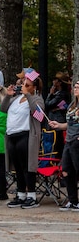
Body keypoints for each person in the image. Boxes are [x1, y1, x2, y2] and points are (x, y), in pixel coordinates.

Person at [2, 71, 45, 209]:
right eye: (22, 84)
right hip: (12, 135)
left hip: (26, 135)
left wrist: (28, 95)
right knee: (18, 168)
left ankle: (31, 195)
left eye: (27, 84)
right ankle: (21, 194)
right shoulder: (15, 99)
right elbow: (3, 109)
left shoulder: (37, 98)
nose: (23, 86)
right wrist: (8, 97)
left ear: (34, 87)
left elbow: (39, 116)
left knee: (28, 167)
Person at [51, 79, 79, 210]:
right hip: (69, 141)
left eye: (78, 87)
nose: (75, 89)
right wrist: (59, 125)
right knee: (67, 170)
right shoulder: (73, 105)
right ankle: (73, 200)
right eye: (75, 87)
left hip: (77, 141)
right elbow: (70, 124)